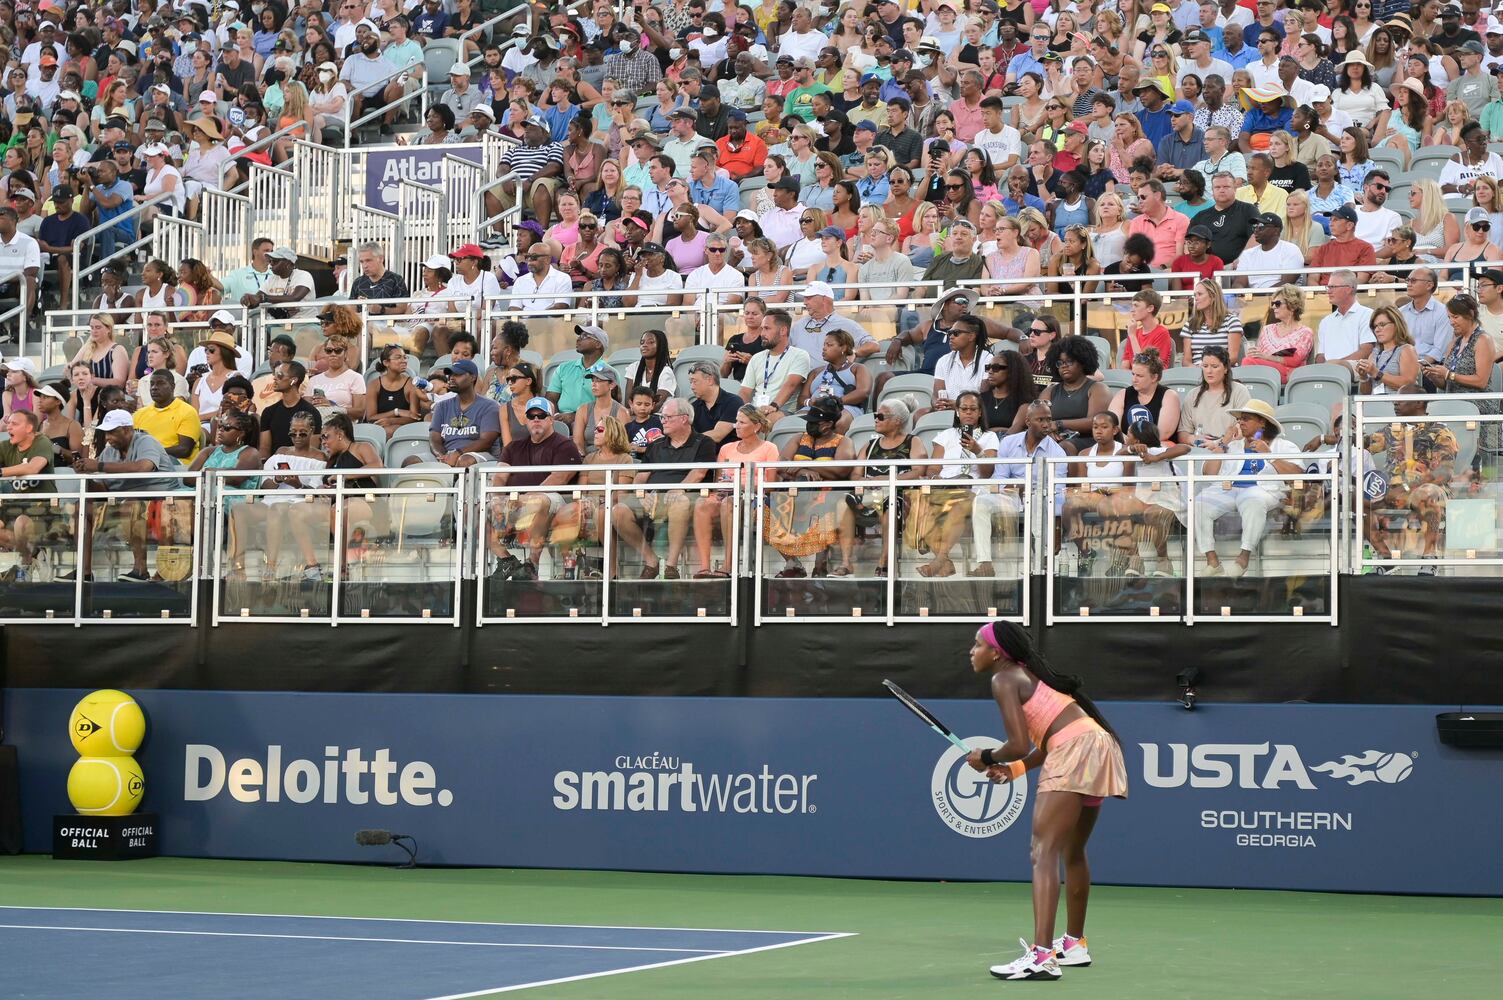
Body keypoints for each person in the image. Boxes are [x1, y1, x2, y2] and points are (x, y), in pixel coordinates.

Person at [966, 620, 1127, 983]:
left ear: (997, 653)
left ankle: (1041, 956)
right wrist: (1015, 770)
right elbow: (1049, 737)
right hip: (1097, 745)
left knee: (1043, 851)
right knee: (1072, 850)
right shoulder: (1031, 676)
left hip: (1074, 750)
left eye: (977, 645)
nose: (971, 652)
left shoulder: (1004, 679)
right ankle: (1074, 944)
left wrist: (986, 757)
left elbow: (1018, 744)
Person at [71, 408, 184, 583]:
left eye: (112, 432)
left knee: (131, 505)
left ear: (127, 429)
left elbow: (143, 468)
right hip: (123, 502)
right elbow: (104, 489)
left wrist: (98, 466)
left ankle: (140, 569)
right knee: (82, 507)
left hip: (160, 501)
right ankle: (83, 572)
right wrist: (86, 476)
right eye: (106, 433)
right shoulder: (108, 452)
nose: (107, 437)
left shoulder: (146, 441)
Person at [1194, 398, 1304, 578]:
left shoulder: (1284, 445)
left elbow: (1297, 474)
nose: (1240, 423)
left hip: (1264, 490)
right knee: (1200, 502)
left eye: (1246, 419)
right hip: (1229, 489)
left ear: (1262, 422)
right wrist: (1224, 442)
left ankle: (1243, 558)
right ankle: (1212, 561)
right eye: (1239, 419)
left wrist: (1269, 454)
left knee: (1252, 500)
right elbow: (1208, 473)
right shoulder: (1232, 446)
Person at [611, 397, 716, 579]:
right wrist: (642, 494)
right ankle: (651, 560)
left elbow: (699, 473)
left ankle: (671, 566)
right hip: (654, 498)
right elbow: (641, 477)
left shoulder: (704, 442)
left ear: (683, 419)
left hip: (688, 498)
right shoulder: (655, 445)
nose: (663, 421)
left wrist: (679, 489)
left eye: (667, 417)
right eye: (662, 417)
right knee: (618, 511)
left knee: (680, 502)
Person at [1363, 390, 1459, 572]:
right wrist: (1324, 438)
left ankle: (1429, 557)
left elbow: (1443, 473)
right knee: (1355, 499)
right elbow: (1361, 443)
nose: (1395, 403)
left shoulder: (1439, 431)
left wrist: (1405, 488)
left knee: (1427, 493)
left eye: (1401, 400)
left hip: (1427, 490)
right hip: (1393, 492)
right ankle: (1386, 558)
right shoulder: (1393, 429)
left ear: (1418, 403)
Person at [491, 396, 583, 577]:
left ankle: (532, 563)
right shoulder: (513, 447)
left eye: (541, 415)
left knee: (539, 500)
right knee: (473, 509)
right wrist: (497, 499)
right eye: (531, 416)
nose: (536, 420)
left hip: (553, 501)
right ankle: (506, 560)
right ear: (526, 420)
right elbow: (500, 476)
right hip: (515, 502)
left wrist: (525, 498)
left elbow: (559, 478)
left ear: (551, 419)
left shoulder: (565, 445)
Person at [693, 405, 780, 579]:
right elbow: (719, 479)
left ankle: (728, 564)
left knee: (729, 503)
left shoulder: (769, 448)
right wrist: (722, 489)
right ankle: (704, 566)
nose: (737, 426)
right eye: (736, 422)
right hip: (726, 492)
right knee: (701, 504)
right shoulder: (726, 448)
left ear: (756, 426)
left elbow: (770, 485)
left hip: (754, 496)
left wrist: (742, 488)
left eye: (742, 422)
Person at [426, 359, 501, 467]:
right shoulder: (441, 406)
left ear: (472, 377)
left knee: (464, 460)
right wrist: (442, 456)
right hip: (447, 454)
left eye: (457, 374)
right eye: (450, 374)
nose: (451, 378)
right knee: (412, 461)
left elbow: (486, 441)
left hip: (481, 455)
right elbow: (434, 438)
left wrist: (458, 453)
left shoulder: (489, 406)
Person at [1178, 346, 1252, 449]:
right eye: (1205, 366)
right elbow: (1183, 433)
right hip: (1199, 449)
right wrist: (1192, 439)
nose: (1209, 371)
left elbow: (1243, 430)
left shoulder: (1240, 391)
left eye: (1214, 366)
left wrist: (1217, 443)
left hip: (1230, 449)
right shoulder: (1192, 395)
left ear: (1225, 368)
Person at [1109, 349, 1182, 447]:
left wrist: (1134, 443)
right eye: (1133, 374)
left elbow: (1162, 434)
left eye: (1139, 376)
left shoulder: (1169, 396)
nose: (1134, 379)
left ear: (1154, 377)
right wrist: (1130, 445)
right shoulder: (1122, 395)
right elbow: (1112, 427)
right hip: (1126, 447)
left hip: (1157, 449)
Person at [1243, 284, 1315, 382]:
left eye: (1277, 303)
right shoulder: (1267, 330)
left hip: (1291, 374)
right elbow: (1259, 356)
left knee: (1248, 362)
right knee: (1248, 362)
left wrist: (1268, 357)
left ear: (1292, 306)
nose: (1273, 307)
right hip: (1266, 371)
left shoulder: (1305, 332)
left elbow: (1295, 360)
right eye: (1272, 303)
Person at [133, 371, 201, 463]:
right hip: (144, 461)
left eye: (160, 383)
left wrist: (151, 453)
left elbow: (184, 450)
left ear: (173, 386)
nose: (154, 388)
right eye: (152, 384)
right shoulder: (140, 414)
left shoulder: (187, 412)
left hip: (176, 463)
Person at [1315, 268, 1375, 370]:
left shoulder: (1367, 315)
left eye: (1333, 287)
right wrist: (1323, 369)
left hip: (1356, 372)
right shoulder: (1325, 321)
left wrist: (1337, 366)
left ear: (1348, 289)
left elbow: (1366, 351)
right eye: (1328, 287)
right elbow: (1321, 355)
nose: (1328, 291)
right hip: (1328, 373)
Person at [364, 345, 427, 439]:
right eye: (398, 357)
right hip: (378, 427)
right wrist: (396, 412)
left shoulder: (411, 384)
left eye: (405, 357)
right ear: (386, 362)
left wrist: (391, 421)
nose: (404, 361)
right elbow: (371, 417)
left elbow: (415, 417)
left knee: (389, 431)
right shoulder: (374, 385)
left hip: (403, 429)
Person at [1356, 306, 1420, 395]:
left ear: (1396, 325)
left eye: (1382, 324)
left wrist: (1377, 373)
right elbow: (1365, 394)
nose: (1377, 330)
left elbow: (1409, 384)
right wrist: (1363, 377)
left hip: (1397, 403)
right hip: (1374, 403)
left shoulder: (1406, 350)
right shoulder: (1373, 355)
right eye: (1375, 326)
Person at [1180, 278, 1245, 365]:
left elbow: (1232, 357)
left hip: (1223, 370)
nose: (1196, 298)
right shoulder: (1190, 324)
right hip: (1196, 370)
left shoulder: (1231, 321)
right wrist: (1197, 369)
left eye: (1200, 294)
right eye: (1195, 295)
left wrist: (1210, 367)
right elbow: (1186, 361)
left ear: (1213, 296)